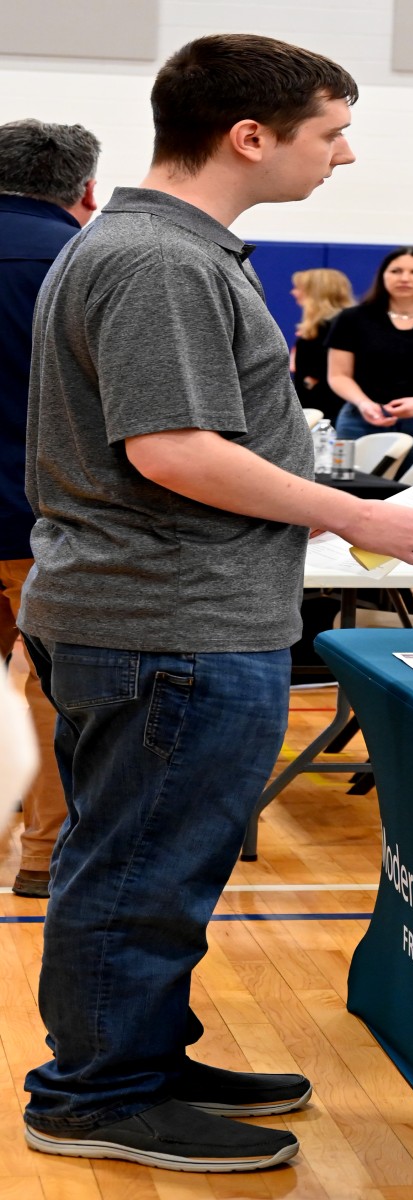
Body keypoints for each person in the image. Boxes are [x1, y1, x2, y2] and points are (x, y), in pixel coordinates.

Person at [18, 33, 413, 1173]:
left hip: (167, 608)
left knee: (147, 860)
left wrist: (306, 507)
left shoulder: (159, 248)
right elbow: (172, 449)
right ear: (251, 136)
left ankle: (138, 1059)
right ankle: (97, 1094)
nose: (346, 155)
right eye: (332, 132)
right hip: (169, 618)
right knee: (141, 869)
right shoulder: (159, 259)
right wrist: (353, 513)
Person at [0, 118, 100, 899]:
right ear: (87, 190)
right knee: (47, 684)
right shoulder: (83, 262)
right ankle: (42, 854)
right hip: (39, 512)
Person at [326, 246, 413, 461]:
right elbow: (338, 375)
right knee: (352, 481)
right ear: (383, 275)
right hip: (361, 418)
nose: (404, 278)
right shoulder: (353, 318)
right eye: (396, 271)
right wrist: (364, 404)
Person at [290, 267, 354, 421]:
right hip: (317, 407)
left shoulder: (336, 327)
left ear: (315, 292)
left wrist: (310, 381)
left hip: (328, 411)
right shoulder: (317, 327)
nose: (293, 292)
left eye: (298, 288)